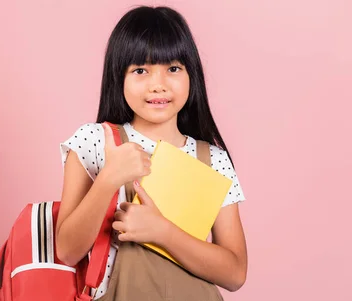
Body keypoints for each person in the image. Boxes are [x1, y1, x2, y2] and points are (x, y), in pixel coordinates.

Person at [54, 5, 248, 299]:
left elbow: (235, 273)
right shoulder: (95, 140)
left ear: (191, 75)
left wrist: (162, 231)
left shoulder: (212, 160)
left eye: (173, 69)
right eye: (141, 70)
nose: (158, 85)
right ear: (119, 78)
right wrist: (109, 178)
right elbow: (67, 251)